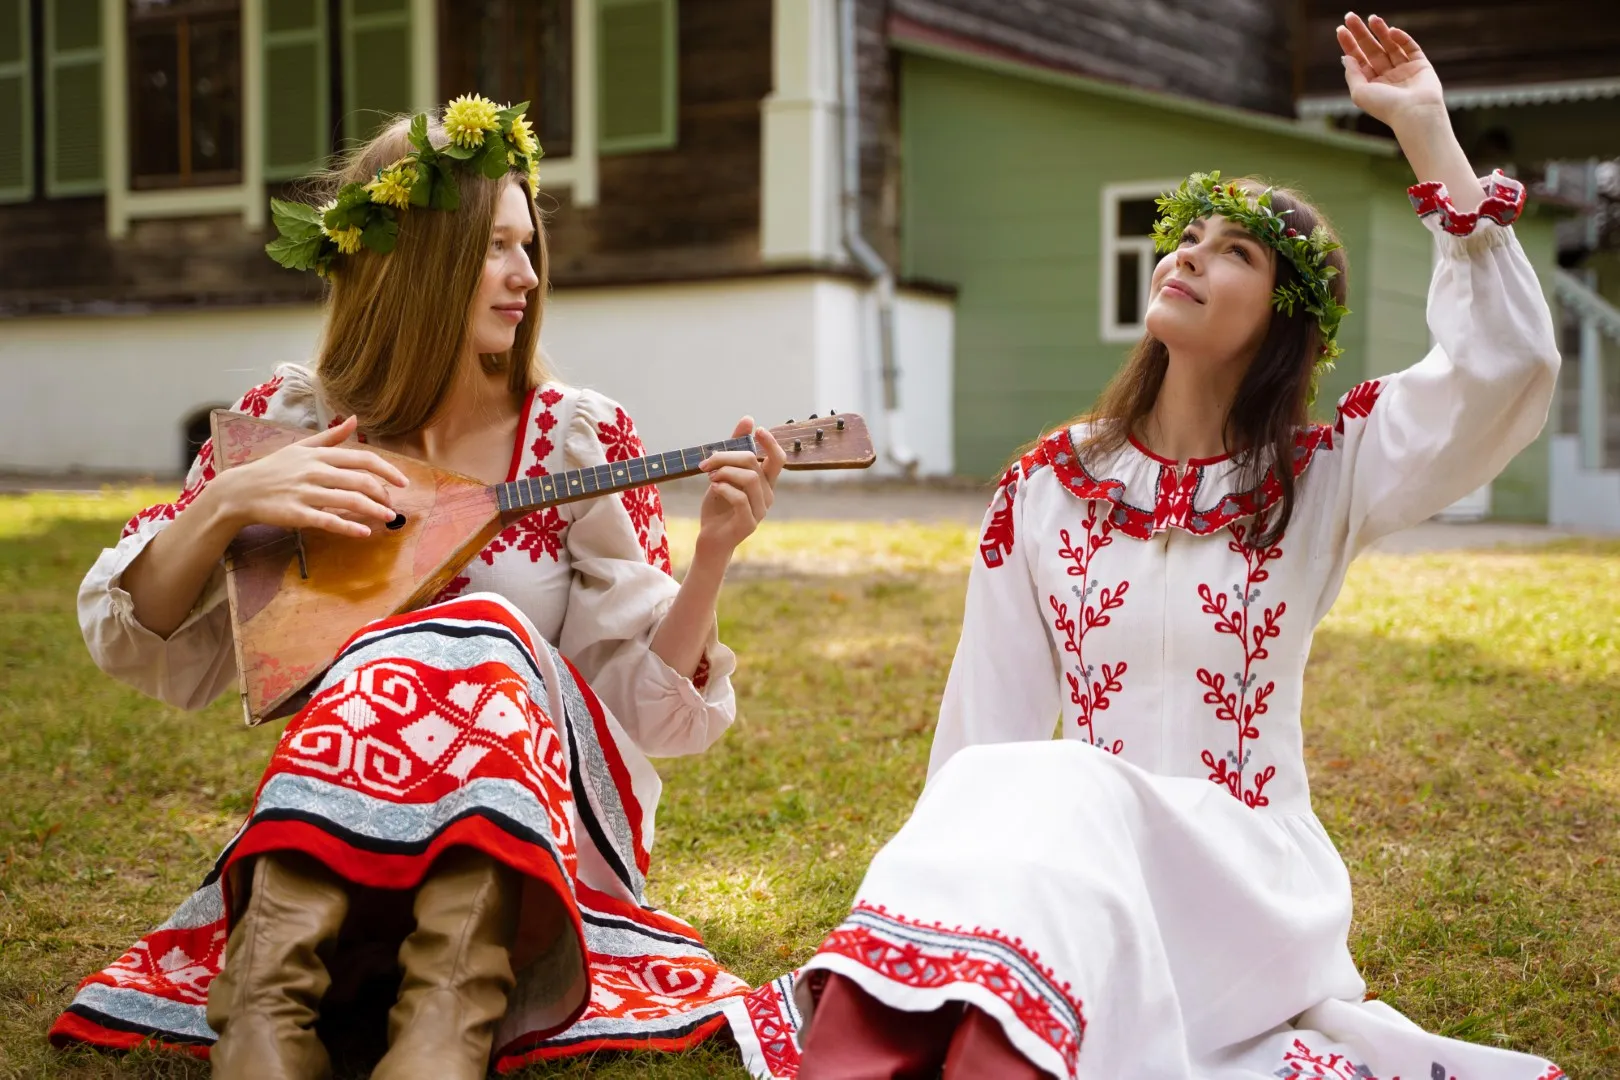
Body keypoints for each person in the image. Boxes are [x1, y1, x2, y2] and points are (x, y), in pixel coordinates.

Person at [736, 14, 1566, 1080]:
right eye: (1188, 238)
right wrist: (927, 906)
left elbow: (1510, 369)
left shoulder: (1326, 472)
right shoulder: (1047, 486)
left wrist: (1425, 128)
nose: (1189, 257)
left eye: (1238, 253)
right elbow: (979, 745)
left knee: (1064, 783)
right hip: (1076, 886)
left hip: (1247, 891)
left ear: (1282, 318)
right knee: (1032, 783)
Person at [50, 95, 785, 1078]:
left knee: (472, 627)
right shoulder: (295, 421)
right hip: (345, 843)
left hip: (532, 855)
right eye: (494, 249)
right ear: (413, 263)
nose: (527, 276)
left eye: (531, 247)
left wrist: (711, 560)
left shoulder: (575, 432)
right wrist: (227, 503)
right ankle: (267, 1018)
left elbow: (650, 721)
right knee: (425, 635)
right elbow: (128, 634)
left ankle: (446, 1023)